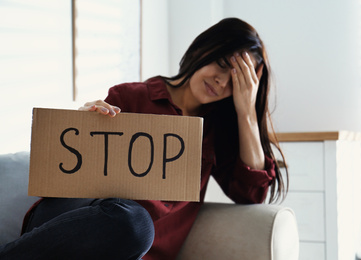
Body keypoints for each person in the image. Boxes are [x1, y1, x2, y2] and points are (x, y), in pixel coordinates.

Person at [0, 17, 288, 260]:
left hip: (125, 242)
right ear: (203, 49)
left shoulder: (215, 132)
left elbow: (252, 195)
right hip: (68, 221)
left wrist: (247, 111)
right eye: (222, 65)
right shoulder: (130, 96)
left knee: (135, 222)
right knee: (126, 215)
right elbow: (70, 180)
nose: (222, 81)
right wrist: (85, 122)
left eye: (236, 80)